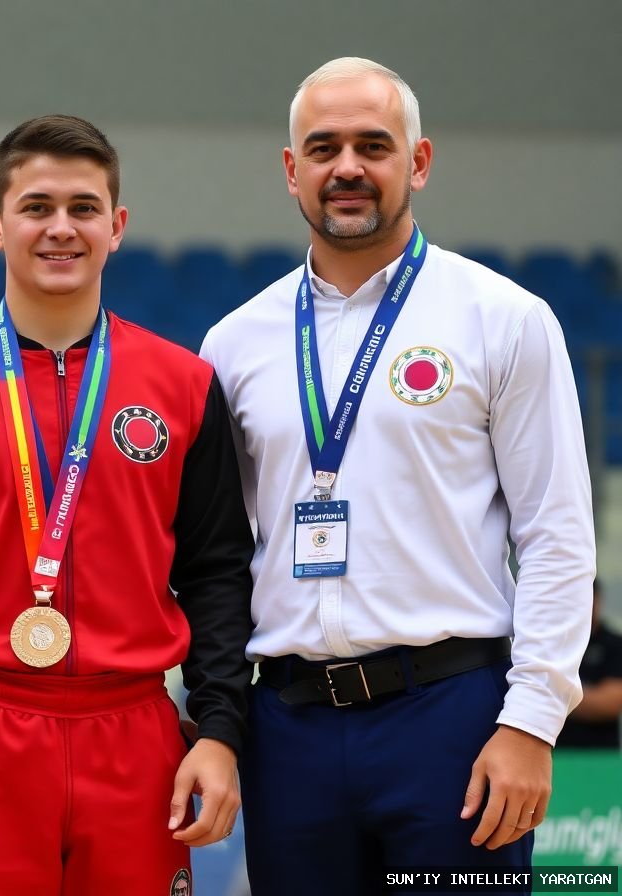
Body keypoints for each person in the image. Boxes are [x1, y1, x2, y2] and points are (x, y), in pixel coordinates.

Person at [200, 57, 595, 894]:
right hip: (290, 724)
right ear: (291, 171)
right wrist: (221, 722)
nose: (347, 167)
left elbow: (557, 535)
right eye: (324, 147)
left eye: (372, 145)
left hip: (451, 717)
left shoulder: (504, 320)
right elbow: (218, 560)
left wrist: (532, 722)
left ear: (417, 162)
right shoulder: (233, 344)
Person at [0, 114, 254, 894]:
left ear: (117, 226)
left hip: (135, 732)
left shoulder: (184, 386)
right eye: (36, 207)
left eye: (83, 208)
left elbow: (219, 573)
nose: (60, 228)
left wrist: (222, 731)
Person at [557, 580, 622, 749]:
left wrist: (550, 691)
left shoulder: (614, 644)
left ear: (597, 599)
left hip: (598, 757)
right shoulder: (549, 643)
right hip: (552, 752)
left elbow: (610, 703)